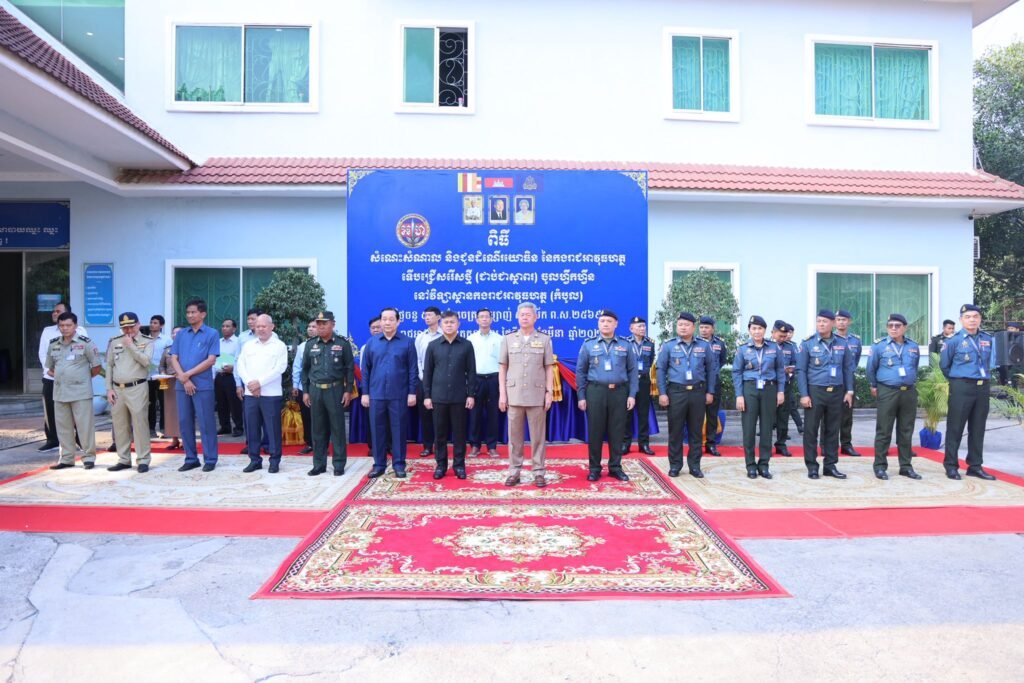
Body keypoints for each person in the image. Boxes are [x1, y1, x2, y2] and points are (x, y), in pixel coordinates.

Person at [499, 301, 555, 488]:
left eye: (528, 315)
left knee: (538, 437)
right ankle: (514, 471)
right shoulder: (508, 339)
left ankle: (538, 471)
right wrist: (502, 394)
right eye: (522, 314)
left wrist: (549, 392)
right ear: (517, 317)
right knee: (514, 437)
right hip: (514, 394)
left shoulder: (544, 339)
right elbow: (503, 367)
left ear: (535, 317)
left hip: (536, 394)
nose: (525, 317)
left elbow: (548, 367)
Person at [577, 310, 637, 482]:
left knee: (617, 431)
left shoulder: (626, 345)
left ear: (616, 324)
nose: (605, 324)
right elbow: (581, 371)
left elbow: (633, 371)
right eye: (602, 321)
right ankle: (594, 468)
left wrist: (632, 394)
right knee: (595, 431)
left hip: (619, 392)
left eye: (609, 321)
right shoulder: (589, 344)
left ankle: (615, 467)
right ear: (598, 324)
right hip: (596, 391)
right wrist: (581, 396)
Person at [656, 311, 717, 478]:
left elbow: (711, 370)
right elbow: (660, 370)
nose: (683, 328)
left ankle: (695, 466)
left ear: (693, 327)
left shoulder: (704, 346)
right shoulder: (668, 346)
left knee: (696, 431)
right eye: (680, 325)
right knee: (675, 431)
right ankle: (675, 465)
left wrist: (710, 391)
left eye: (686, 325)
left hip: (698, 392)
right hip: (676, 392)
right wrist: (662, 393)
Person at [795, 309, 855, 480]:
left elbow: (848, 368)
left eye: (825, 321)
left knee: (832, 430)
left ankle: (830, 465)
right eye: (819, 321)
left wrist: (849, 391)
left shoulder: (842, 343)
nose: (821, 324)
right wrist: (804, 394)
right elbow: (801, 370)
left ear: (833, 324)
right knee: (811, 430)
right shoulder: (807, 343)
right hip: (815, 391)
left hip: (836, 391)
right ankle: (812, 466)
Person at [939, 304, 997, 481]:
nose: (972, 320)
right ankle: (951, 466)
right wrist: (959, 380)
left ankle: (975, 466)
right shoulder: (953, 341)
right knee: (955, 427)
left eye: (975, 316)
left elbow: (991, 362)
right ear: (961, 320)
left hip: (982, 387)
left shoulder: (988, 339)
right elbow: (945, 365)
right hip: (961, 386)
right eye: (968, 317)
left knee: (978, 428)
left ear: (980, 319)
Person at [361, 307, 418, 478]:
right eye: (384, 319)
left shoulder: (407, 342)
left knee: (398, 430)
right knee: (377, 430)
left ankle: (399, 464)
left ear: (398, 322)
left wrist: (412, 392)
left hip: (399, 394)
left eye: (391, 319)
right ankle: (379, 464)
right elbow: (366, 370)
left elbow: (412, 369)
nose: (387, 322)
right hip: (376, 394)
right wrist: (365, 393)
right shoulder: (372, 342)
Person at [866, 313, 923, 480]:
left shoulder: (913, 346)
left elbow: (914, 366)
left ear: (905, 327)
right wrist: (874, 385)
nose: (893, 328)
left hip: (908, 392)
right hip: (887, 390)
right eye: (890, 326)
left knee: (906, 430)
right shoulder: (879, 346)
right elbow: (871, 368)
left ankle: (906, 466)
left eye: (897, 326)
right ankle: (880, 466)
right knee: (884, 430)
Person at [423, 311, 477, 479]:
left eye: (452, 322)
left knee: (459, 434)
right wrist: (427, 396)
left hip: (459, 397)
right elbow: (427, 373)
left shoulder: (467, 345)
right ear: (441, 324)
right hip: (438, 397)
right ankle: (441, 466)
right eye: (446, 322)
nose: (449, 325)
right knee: (439, 434)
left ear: (458, 324)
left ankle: (459, 466)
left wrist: (471, 395)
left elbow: (471, 372)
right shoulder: (433, 345)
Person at [169, 298, 220, 472]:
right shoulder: (181, 334)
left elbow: (211, 360)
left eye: (193, 312)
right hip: (182, 385)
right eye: (188, 312)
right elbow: (173, 357)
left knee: (206, 422)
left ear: (203, 314)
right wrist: (184, 379)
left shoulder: (212, 333)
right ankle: (191, 458)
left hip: (202, 385)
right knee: (184, 422)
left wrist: (187, 375)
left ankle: (210, 459)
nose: (190, 315)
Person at [45, 311, 100, 470]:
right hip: (60, 392)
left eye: (68, 325)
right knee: (63, 427)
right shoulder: (53, 344)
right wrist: (64, 376)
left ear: (75, 326)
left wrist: (81, 378)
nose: (65, 328)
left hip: (80, 392)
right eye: (61, 325)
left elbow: (96, 367)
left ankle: (89, 457)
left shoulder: (86, 343)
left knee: (84, 427)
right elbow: (50, 369)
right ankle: (67, 458)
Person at [732, 315, 786, 479]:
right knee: (749, 429)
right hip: (749, 389)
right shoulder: (743, 349)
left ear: (765, 330)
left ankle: (764, 465)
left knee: (766, 429)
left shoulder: (774, 348)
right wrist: (739, 395)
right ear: (749, 330)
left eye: (760, 328)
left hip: (769, 389)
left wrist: (780, 391)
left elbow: (780, 370)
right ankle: (750, 465)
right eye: (754, 328)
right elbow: (737, 373)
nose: (757, 331)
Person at [301, 311, 354, 476]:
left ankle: (338, 464)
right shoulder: (310, 344)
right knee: (317, 429)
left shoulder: (342, 344)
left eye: (324, 323)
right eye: (319, 323)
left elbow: (349, 369)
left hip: (335, 390)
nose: (321, 326)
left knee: (337, 428)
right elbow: (305, 369)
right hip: (315, 390)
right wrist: (305, 391)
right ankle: (319, 464)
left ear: (333, 324)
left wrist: (348, 391)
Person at [237, 314, 288, 474]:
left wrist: (259, 382)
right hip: (250, 394)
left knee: (272, 429)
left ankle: (274, 460)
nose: (260, 329)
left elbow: (280, 368)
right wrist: (251, 384)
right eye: (257, 326)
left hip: (271, 394)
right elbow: (240, 366)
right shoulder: (248, 345)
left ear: (272, 327)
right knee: (251, 428)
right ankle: (254, 460)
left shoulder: (279, 346)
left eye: (263, 326)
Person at [104, 312, 154, 473]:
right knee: (120, 426)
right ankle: (124, 459)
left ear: (138, 324)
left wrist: (131, 345)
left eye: (132, 326)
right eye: (125, 328)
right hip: (117, 389)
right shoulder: (114, 341)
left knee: (140, 424)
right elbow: (109, 366)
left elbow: (146, 361)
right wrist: (109, 389)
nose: (129, 330)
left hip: (137, 387)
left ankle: (143, 459)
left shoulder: (147, 341)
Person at [36, 301, 87, 452]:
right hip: (51, 378)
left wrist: (68, 371)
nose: (54, 313)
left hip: (72, 378)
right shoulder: (47, 331)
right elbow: (42, 353)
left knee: (76, 410)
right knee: (50, 410)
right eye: (54, 311)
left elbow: (80, 353)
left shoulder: (80, 331)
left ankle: (80, 440)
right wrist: (51, 370)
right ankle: (53, 440)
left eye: (58, 311)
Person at [467, 307, 502, 456]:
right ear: (477, 320)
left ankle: (492, 446)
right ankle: (475, 445)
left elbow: (503, 362)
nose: (484, 319)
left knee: (493, 414)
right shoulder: (471, 339)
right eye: (481, 317)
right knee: (475, 414)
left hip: (494, 378)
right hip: (476, 379)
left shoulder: (499, 339)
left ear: (491, 319)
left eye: (487, 317)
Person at [622, 316, 656, 456]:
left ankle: (644, 444)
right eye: (639, 326)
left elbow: (651, 360)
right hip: (628, 382)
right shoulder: (625, 343)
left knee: (643, 414)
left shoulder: (650, 344)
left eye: (643, 326)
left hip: (643, 381)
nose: (642, 329)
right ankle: (625, 444)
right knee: (626, 414)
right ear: (631, 328)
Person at [834, 310, 863, 456]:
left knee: (847, 414)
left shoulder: (855, 341)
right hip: (832, 380)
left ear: (849, 321)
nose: (841, 322)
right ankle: (827, 444)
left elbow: (854, 362)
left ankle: (846, 444)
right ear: (834, 322)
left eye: (844, 319)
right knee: (829, 414)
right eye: (838, 319)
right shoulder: (829, 338)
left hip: (848, 381)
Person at [698, 316, 729, 457]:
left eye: (707, 327)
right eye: (701, 327)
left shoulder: (719, 344)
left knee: (712, 414)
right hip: (697, 382)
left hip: (714, 382)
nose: (704, 330)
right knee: (696, 414)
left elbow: (722, 360)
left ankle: (711, 444)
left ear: (713, 329)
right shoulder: (694, 343)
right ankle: (697, 443)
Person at [415, 306, 442, 457]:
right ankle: (427, 446)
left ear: (438, 317)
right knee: (425, 415)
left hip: (440, 380)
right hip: (423, 379)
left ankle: (440, 445)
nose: (427, 318)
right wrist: (422, 376)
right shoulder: (421, 337)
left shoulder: (444, 335)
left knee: (440, 415)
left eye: (430, 315)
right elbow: (417, 359)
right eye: (425, 315)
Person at [772, 321, 800, 457]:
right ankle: (765, 445)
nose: (783, 338)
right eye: (780, 336)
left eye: (785, 336)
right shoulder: (767, 346)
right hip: (770, 386)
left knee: (783, 416)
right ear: (773, 333)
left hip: (786, 385)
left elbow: (796, 363)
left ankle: (781, 444)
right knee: (768, 417)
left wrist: (790, 369)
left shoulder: (790, 347)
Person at [292, 319, 319, 455]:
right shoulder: (303, 346)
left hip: (321, 388)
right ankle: (309, 443)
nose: (310, 329)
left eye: (314, 326)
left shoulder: (328, 344)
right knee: (306, 417)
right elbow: (297, 366)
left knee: (321, 418)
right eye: (309, 326)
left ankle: (322, 445)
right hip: (305, 388)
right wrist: (295, 385)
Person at [214, 318, 243, 437]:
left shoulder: (238, 342)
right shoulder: (218, 342)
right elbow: (214, 359)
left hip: (232, 376)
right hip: (219, 375)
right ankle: (225, 426)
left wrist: (233, 368)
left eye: (227, 326)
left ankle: (238, 427)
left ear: (234, 328)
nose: (224, 328)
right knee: (221, 403)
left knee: (234, 403)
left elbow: (241, 359)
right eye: (223, 326)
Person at [158, 326, 183, 450]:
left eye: (178, 333)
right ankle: (174, 439)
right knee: (171, 412)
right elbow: (161, 365)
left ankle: (185, 440)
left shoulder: (188, 348)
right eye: (173, 333)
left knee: (183, 412)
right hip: (169, 383)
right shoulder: (167, 350)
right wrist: (163, 373)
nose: (175, 335)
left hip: (184, 382)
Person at [147, 314, 171, 438]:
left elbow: (170, 357)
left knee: (164, 402)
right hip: (148, 376)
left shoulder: (167, 340)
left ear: (161, 325)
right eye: (151, 322)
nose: (152, 325)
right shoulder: (145, 339)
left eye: (155, 323)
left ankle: (165, 428)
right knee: (150, 403)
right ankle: (151, 429)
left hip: (162, 376)